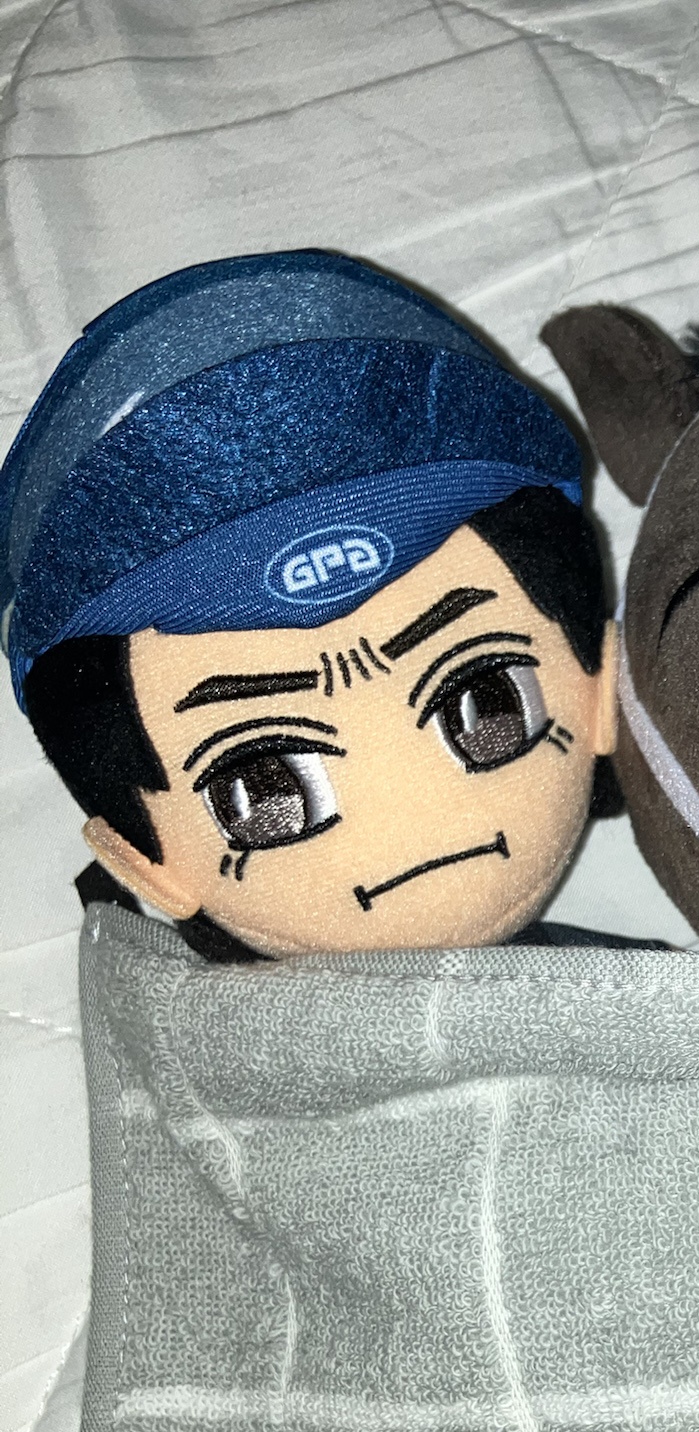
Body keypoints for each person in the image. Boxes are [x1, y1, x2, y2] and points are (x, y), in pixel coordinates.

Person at [2, 249, 630, 958]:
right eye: (266, 789)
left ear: (599, 690)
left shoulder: (666, 996)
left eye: (488, 705)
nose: (407, 824)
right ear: (143, 860)